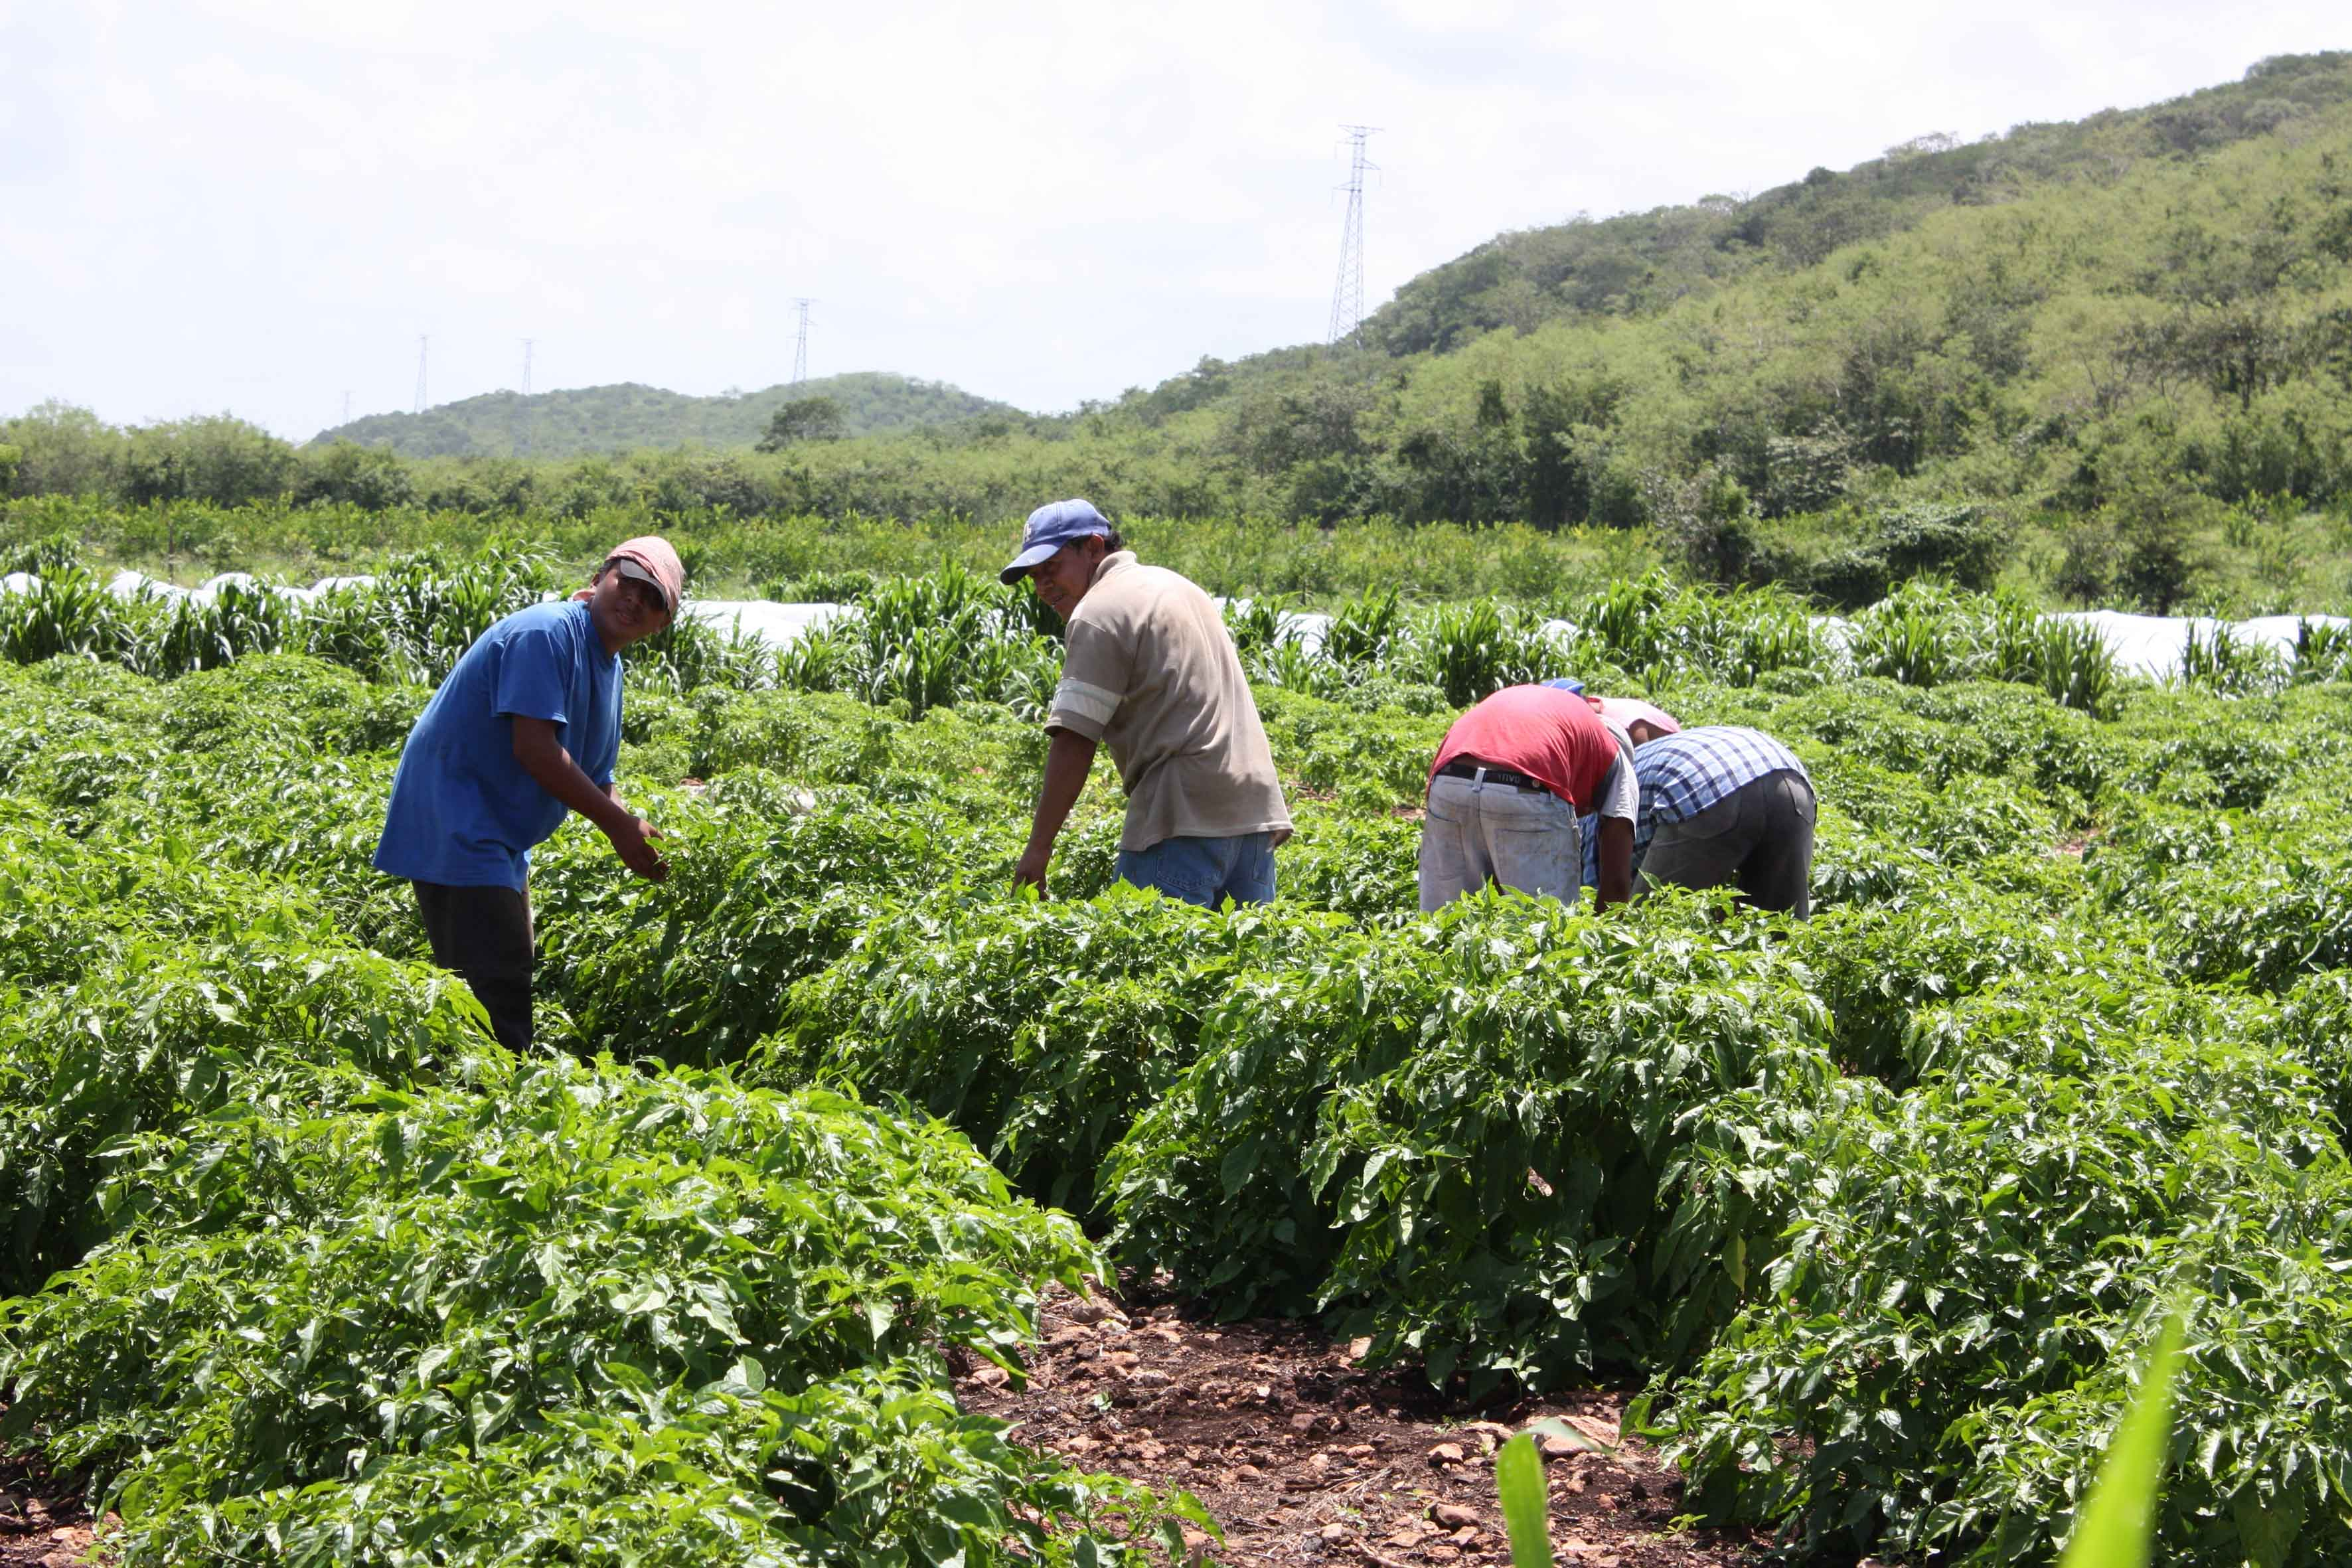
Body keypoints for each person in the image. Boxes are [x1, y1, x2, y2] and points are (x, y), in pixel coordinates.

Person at [372, 538, 682, 1048]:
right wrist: (617, 827)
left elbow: (596, 772)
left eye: (653, 598)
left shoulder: (608, 666)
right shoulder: (547, 632)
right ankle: (487, 1108)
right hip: (458, 817)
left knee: (499, 969)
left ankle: (473, 1089)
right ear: (602, 575)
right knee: (495, 982)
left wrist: (636, 834)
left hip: (497, 831)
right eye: (629, 580)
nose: (635, 600)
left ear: (660, 624)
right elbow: (535, 749)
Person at [1004, 499, 1291, 906]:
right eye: (1035, 577)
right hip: (1254, 814)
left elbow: (1074, 739)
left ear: (1092, 547)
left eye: (1051, 568)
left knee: (1147, 960)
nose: (1043, 586)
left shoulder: (1099, 611)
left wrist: (1037, 851)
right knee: (1244, 964)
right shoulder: (1177, 586)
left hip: (1181, 816)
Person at [1420, 682, 1636, 912]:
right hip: (1529, 785)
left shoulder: (1562, 719)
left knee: (1446, 920)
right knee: (1545, 926)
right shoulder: (1617, 759)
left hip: (1449, 778)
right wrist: (1603, 941)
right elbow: (1617, 883)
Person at [1628, 725, 1816, 917]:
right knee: (1782, 927)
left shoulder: (1604, 811)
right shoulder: (1632, 761)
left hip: (1705, 788)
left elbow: (1608, 890)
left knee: (1652, 920)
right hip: (1788, 775)